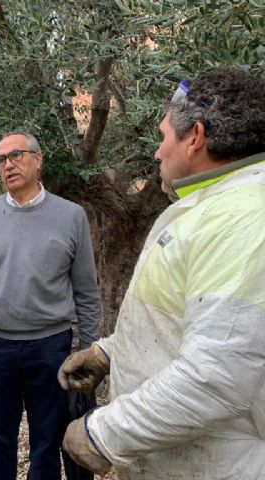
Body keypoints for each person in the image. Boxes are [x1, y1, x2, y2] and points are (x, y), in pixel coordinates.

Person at [59, 69, 265, 480]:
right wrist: (110, 352)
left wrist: (102, 434)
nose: (156, 153)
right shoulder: (210, 206)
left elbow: (218, 376)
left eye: (163, 136)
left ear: (195, 137)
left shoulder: (244, 217)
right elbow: (183, 320)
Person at [0, 131, 101, 480]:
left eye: (16, 156)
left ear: (38, 160)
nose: (8, 165)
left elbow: (86, 289)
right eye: (1, 160)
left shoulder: (71, 216)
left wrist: (88, 349)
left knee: (47, 440)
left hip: (50, 347)